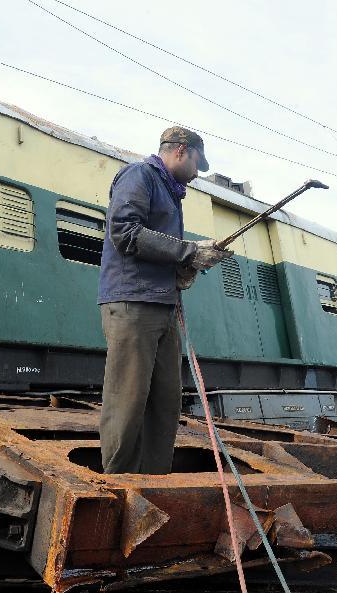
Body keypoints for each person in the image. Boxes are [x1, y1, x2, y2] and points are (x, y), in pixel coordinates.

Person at [97, 126, 232, 474]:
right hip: (133, 303)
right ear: (181, 151)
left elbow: (155, 247)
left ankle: (155, 479)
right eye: (197, 165)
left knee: (165, 400)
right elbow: (125, 233)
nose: (196, 176)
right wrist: (187, 251)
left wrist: (183, 267)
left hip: (161, 304)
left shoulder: (170, 192)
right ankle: (119, 483)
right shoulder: (139, 176)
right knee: (128, 399)